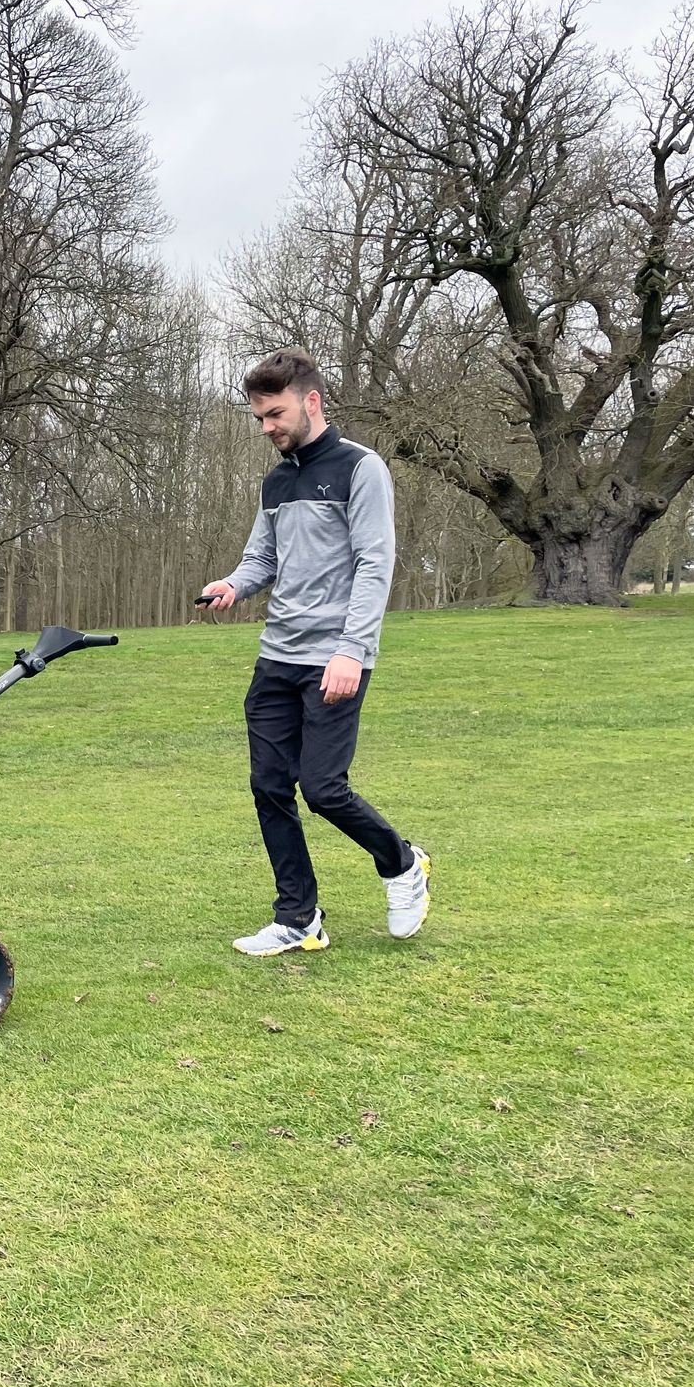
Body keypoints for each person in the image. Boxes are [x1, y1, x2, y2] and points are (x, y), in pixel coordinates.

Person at [196, 349, 430, 956]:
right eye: (259, 418)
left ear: (312, 401)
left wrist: (353, 650)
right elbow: (263, 558)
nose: (266, 427)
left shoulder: (360, 468)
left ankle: (402, 863)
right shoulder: (276, 481)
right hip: (277, 656)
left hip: (336, 657)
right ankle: (298, 916)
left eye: (275, 414)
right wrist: (233, 585)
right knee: (269, 785)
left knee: (323, 788)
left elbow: (375, 563)